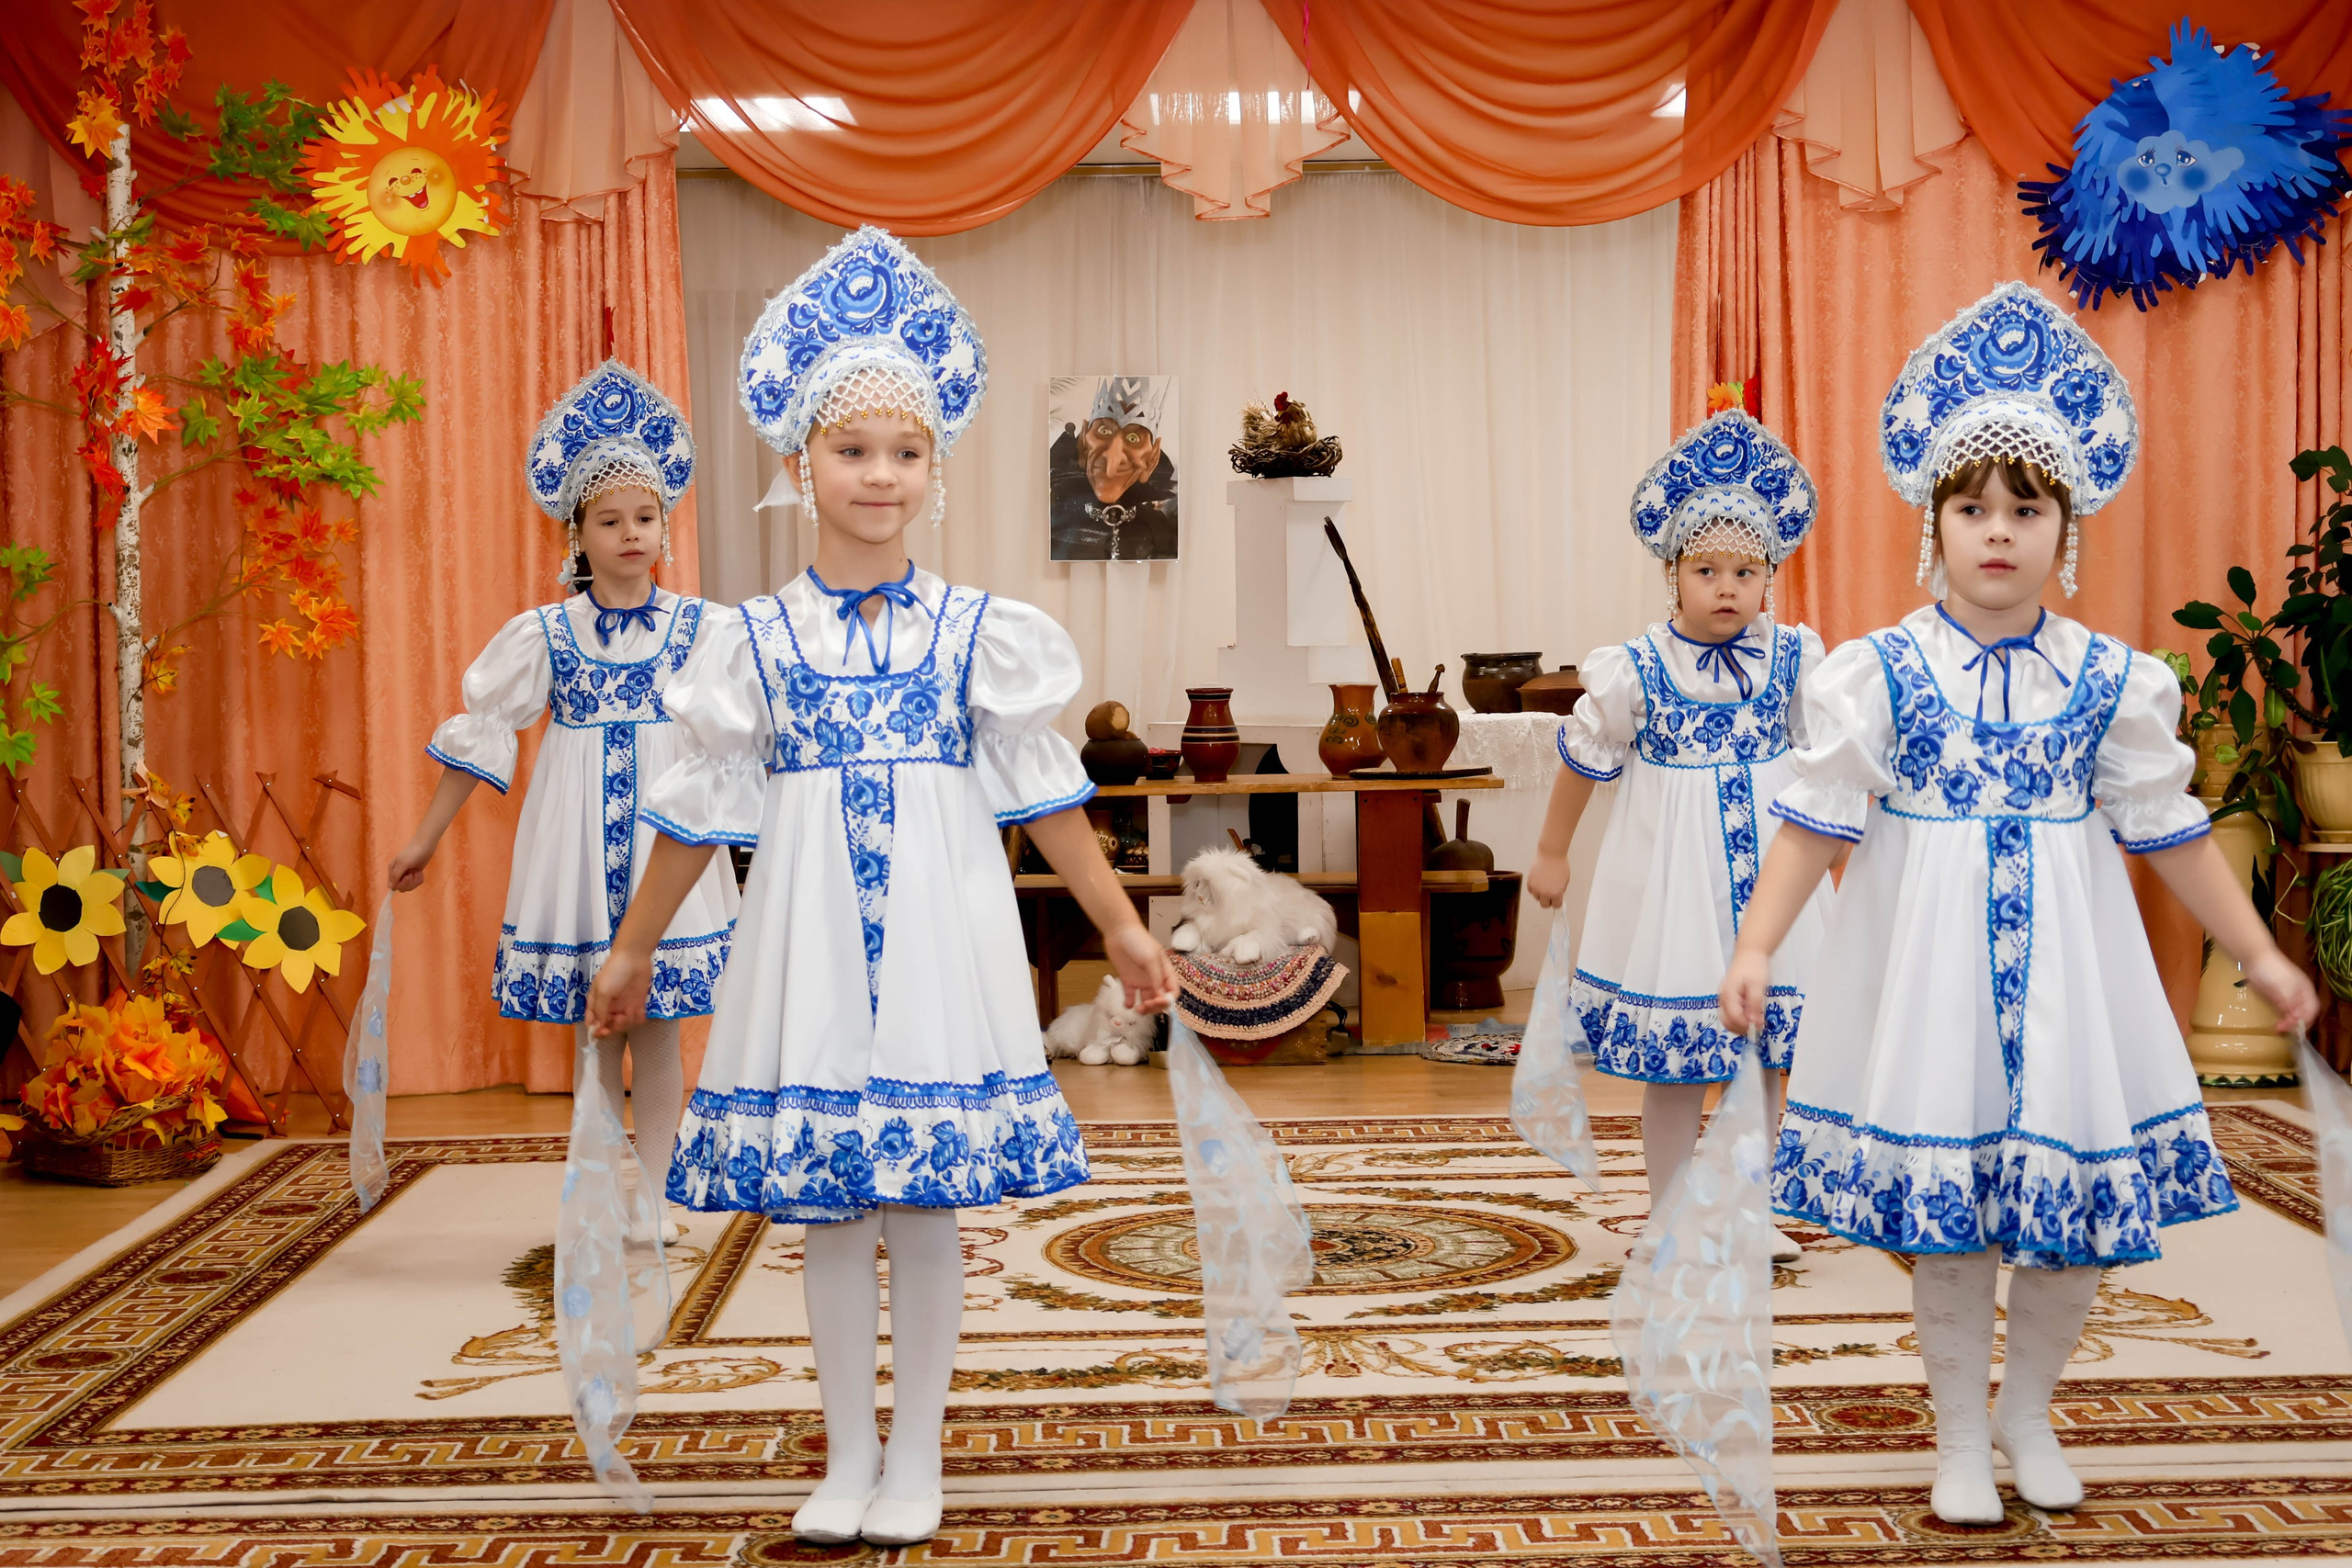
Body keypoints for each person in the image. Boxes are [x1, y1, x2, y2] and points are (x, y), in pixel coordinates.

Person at [589, 227, 1178, 1548]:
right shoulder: (750, 640)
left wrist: (1125, 923)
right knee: (827, 1200)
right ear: (801, 465)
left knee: (920, 1194)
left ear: (936, 469)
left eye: (906, 451)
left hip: (938, 926)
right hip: (802, 932)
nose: (881, 473)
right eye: (854, 449)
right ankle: (847, 1449)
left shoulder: (981, 635)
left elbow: (1047, 798)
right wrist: (633, 949)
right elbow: (692, 815)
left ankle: (918, 1453)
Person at [1718, 282, 2320, 1525]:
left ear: (2067, 529)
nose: (1999, 530)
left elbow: (2171, 828)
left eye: (2026, 509)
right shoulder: (1874, 674)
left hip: (2073, 977)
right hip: (1926, 972)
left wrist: (2256, 947)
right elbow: (1815, 817)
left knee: (2071, 1213)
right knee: (1951, 1218)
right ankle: (1954, 1435)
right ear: (1933, 524)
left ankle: (2028, 1410)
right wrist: (1758, 941)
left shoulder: (2114, 680)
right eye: (1973, 507)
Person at [390, 359, 735, 1235]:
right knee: (597, 1030)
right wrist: (428, 838)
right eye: (610, 519)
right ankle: (592, 1193)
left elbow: (746, 737)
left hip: (668, 838)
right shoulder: (543, 635)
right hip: (574, 839)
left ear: (666, 525)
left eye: (646, 517)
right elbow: (483, 734)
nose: (631, 533)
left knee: (656, 1025)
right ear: (576, 533)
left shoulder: (704, 629)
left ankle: (654, 1200)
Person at [1527, 411, 1828, 1262]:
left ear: (1768, 575)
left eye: (1745, 570)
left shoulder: (1794, 662)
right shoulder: (1637, 669)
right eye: (1706, 570)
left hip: (1773, 879)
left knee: (1767, 1057)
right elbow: (1585, 759)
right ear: (1673, 573)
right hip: (1674, 888)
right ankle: (1667, 1211)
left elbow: (1829, 767)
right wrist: (1553, 850)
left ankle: (1748, 1206)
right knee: (1681, 1061)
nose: (1727, 587)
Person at [1048, 375, 1178, 560]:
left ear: (1152, 458)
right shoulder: (1052, 526)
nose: (1112, 460)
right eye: (1104, 431)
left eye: (1133, 439)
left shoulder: (1162, 534)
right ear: (1084, 443)